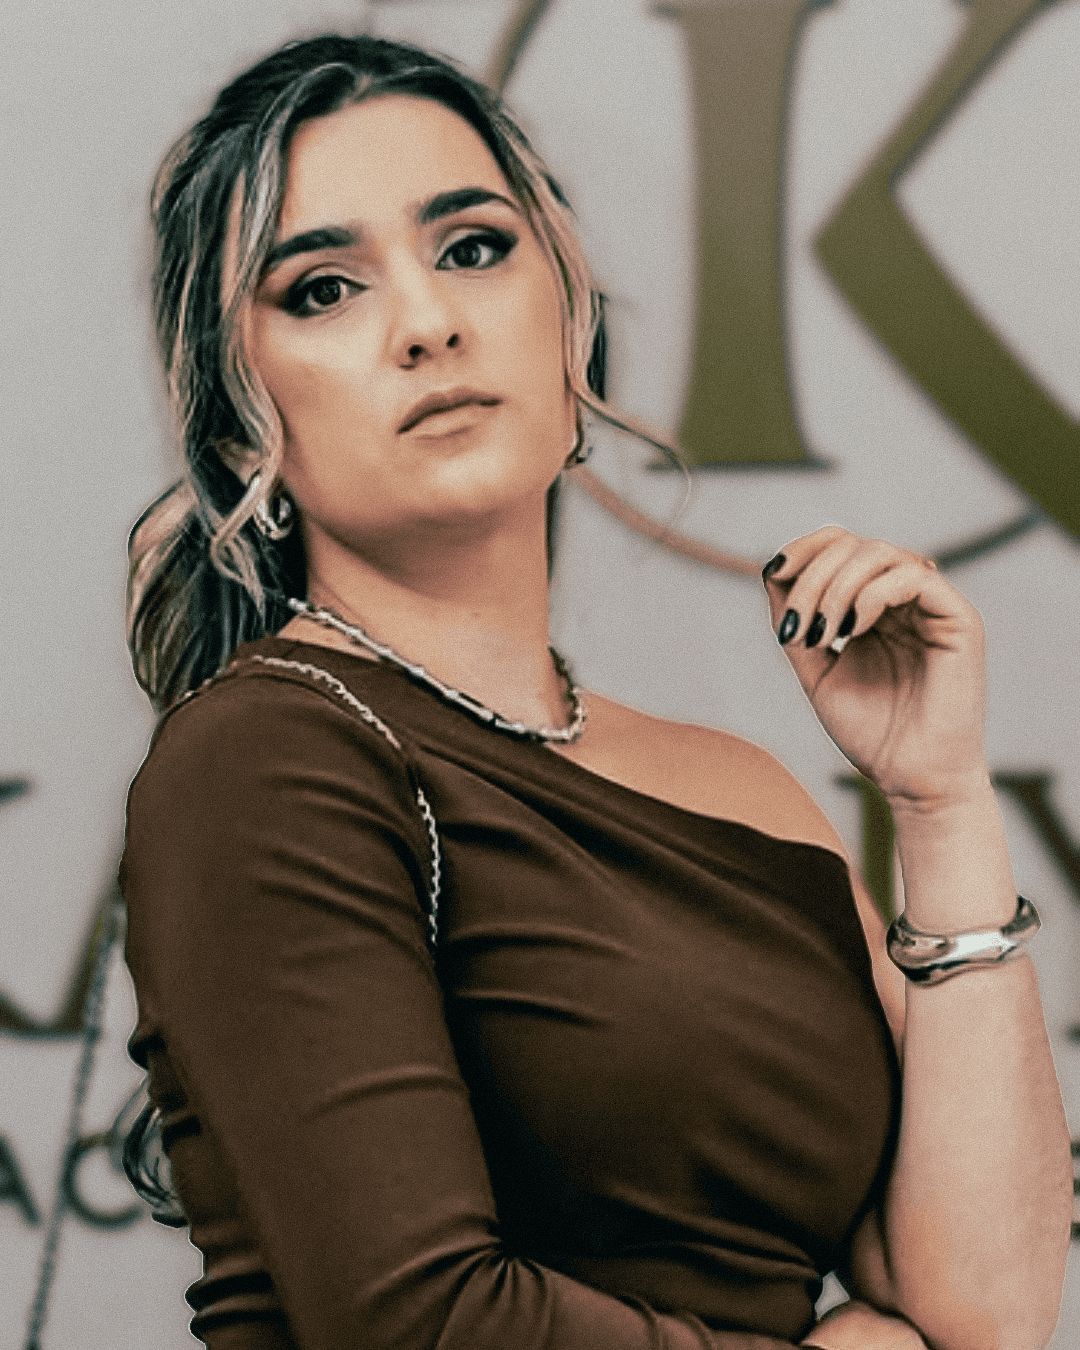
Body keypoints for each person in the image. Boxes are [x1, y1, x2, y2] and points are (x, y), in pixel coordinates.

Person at [119, 33, 1072, 1350]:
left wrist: (941, 800)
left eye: (472, 248)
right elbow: (418, 1320)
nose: (429, 323)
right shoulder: (268, 757)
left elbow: (992, 1312)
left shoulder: (744, 788)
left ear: (568, 322)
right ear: (239, 427)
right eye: (324, 289)